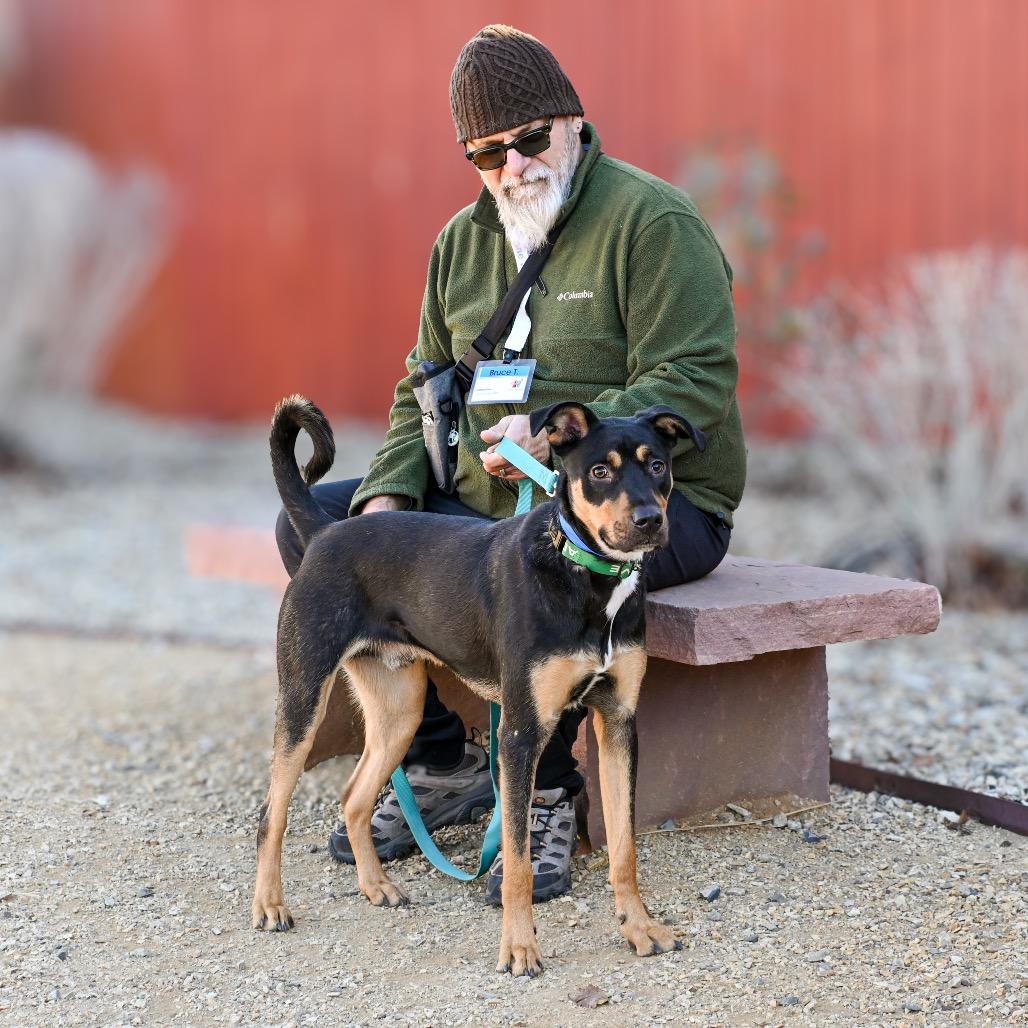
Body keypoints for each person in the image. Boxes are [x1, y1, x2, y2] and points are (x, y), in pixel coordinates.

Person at [275, 24, 746, 905]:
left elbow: (695, 375)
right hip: (489, 500)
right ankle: (436, 758)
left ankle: (553, 793)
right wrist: (384, 498)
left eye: (530, 140)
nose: (513, 167)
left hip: (644, 507)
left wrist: (559, 434)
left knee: (538, 555)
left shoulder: (653, 222)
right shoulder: (461, 243)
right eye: (486, 154)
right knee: (322, 525)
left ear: (571, 123)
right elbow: (417, 389)